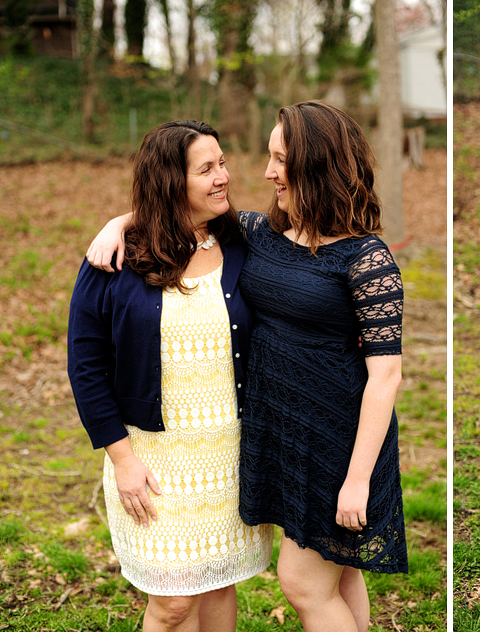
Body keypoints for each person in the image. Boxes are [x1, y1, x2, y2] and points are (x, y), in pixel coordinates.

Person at [87, 101, 407, 632]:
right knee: (339, 576)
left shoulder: (368, 259)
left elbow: (386, 375)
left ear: (317, 165)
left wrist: (357, 478)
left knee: (305, 584)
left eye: (280, 159)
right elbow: (179, 210)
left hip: (337, 440)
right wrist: (120, 222)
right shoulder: (259, 234)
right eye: (268, 157)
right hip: (279, 433)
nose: (267, 172)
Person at [68, 120, 273, 632]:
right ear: (170, 182)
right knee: (173, 603)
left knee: (218, 582)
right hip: (151, 459)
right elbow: (86, 365)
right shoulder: (115, 259)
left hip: (229, 454)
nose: (223, 176)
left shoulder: (245, 239)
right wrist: (122, 459)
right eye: (206, 169)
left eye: (222, 162)